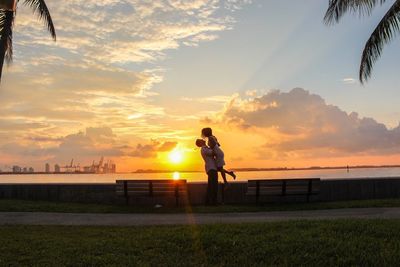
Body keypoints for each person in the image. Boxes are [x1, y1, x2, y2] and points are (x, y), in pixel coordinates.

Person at [196, 139, 218, 205]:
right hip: (211, 169)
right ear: (200, 143)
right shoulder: (204, 149)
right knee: (213, 186)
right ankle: (212, 202)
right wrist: (215, 145)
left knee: (211, 186)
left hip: (212, 168)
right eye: (201, 140)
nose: (203, 139)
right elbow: (213, 153)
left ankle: (209, 202)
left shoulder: (206, 148)